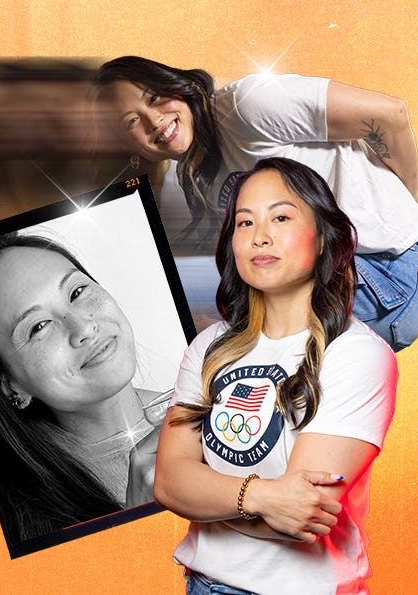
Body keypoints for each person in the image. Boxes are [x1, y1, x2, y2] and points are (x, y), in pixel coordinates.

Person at [154, 158, 397, 594]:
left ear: (324, 237)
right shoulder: (209, 347)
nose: (259, 236)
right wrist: (263, 498)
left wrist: (208, 492)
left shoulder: (357, 354)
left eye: (280, 217)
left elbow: (301, 519)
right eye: (244, 223)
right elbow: (169, 483)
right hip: (204, 586)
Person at [96, 56, 418, 351]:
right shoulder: (193, 174)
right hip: (346, 293)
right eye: (131, 123)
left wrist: (410, 200)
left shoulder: (247, 106)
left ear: (174, 84)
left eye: (154, 97)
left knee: (206, 292)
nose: (154, 120)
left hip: (387, 276)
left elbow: (389, 115)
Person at [0, 232, 165, 544]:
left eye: (77, 291)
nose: (83, 328)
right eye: (38, 327)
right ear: (10, 387)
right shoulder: (11, 519)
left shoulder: (213, 407)